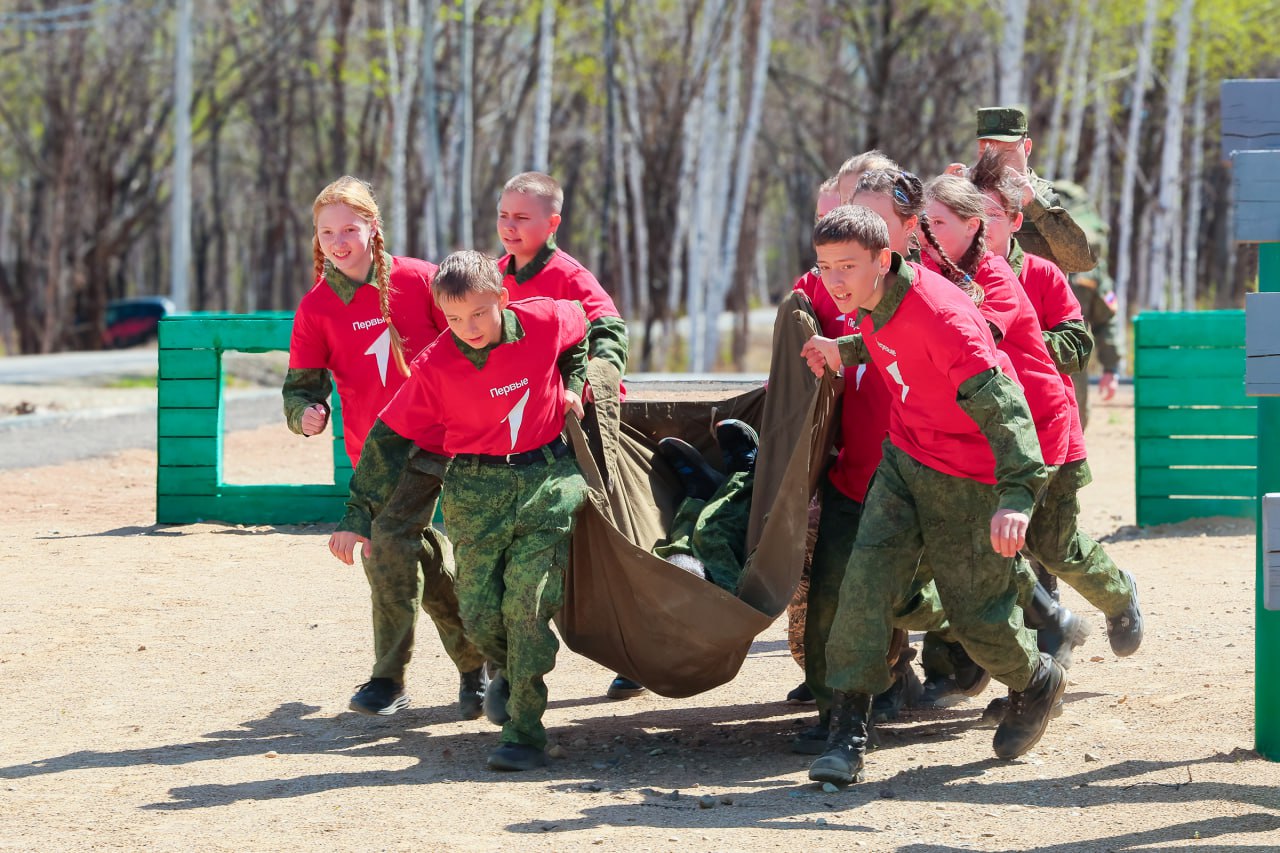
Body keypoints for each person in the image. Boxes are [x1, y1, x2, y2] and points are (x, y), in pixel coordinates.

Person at [800, 204, 1065, 785]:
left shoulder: (942, 317)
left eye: (847, 266)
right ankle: (847, 734)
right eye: (824, 266)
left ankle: (1037, 679)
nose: (834, 280)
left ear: (884, 260)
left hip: (970, 478)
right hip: (905, 461)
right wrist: (839, 350)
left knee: (979, 621)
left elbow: (1007, 408)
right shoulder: (872, 300)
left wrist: (1018, 495)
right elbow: (883, 340)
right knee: (863, 587)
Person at [342, 249, 590, 771]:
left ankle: (525, 731)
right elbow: (388, 442)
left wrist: (574, 381)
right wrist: (357, 515)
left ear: (501, 298)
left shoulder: (543, 318)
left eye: (478, 314)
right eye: (454, 318)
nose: (467, 328)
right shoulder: (435, 364)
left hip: (548, 478)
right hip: (474, 489)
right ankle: (501, 666)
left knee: (526, 602)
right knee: (478, 614)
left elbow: (584, 325)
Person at [284, 176, 485, 720]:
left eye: (350, 228)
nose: (339, 241)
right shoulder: (317, 307)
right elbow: (302, 386)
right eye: (328, 232)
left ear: (373, 227)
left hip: (456, 438)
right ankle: (393, 678)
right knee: (392, 549)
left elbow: (479, 340)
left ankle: (476, 665)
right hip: (382, 453)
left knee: (438, 552)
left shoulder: (423, 280)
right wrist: (306, 413)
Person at [968, 155, 1142, 665]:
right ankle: (1001, 660)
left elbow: (1078, 340)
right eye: (972, 218)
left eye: (994, 217)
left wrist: (1019, 345)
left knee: (1053, 545)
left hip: (1049, 433)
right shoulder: (951, 275)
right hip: (983, 434)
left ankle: (1117, 593)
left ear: (1016, 221)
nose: (982, 229)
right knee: (983, 540)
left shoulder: (1042, 274)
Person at [494, 171, 638, 701]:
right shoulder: (493, 278)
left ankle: (635, 653)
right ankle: (508, 662)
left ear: (552, 223)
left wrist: (591, 381)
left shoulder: (571, 278)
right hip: (521, 434)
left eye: (522, 218)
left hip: (580, 432)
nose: (509, 227)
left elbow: (610, 332)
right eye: (504, 215)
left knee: (604, 548)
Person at [948, 106, 1096, 275]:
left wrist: (1036, 206)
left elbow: (1082, 261)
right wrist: (944, 198)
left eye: (1006, 152)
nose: (996, 162)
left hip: (1034, 298)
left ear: (1027, 148)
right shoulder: (967, 192)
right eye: (985, 152)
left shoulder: (1050, 197)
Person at [1054, 179, 1121, 428]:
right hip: (1028, 359)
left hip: (1072, 368)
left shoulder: (1091, 270)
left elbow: (1105, 317)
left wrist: (1111, 368)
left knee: (1072, 430)